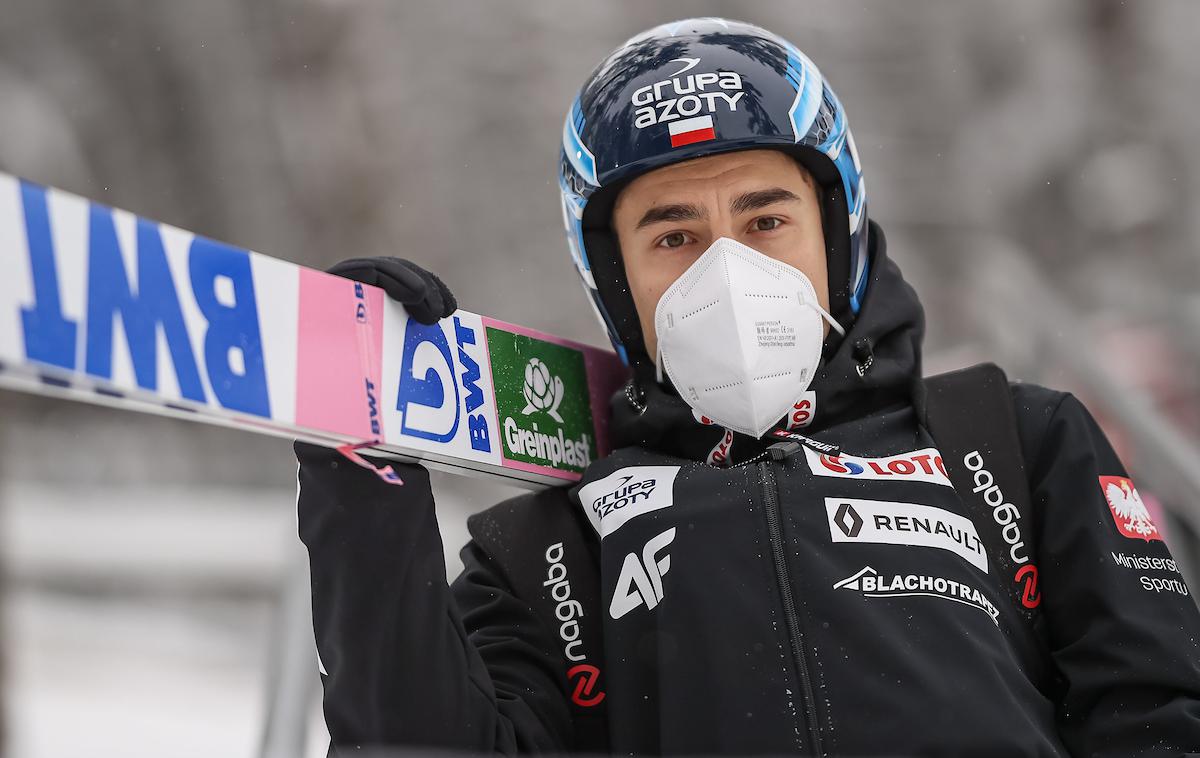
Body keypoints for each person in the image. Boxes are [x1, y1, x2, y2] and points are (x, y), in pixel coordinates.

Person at [295, 17, 1200, 756]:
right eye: (673, 236)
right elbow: (414, 746)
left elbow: (1160, 717)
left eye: (765, 218)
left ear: (836, 234)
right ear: (616, 282)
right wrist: (361, 469)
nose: (727, 269)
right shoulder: (550, 550)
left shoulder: (1012, 445)